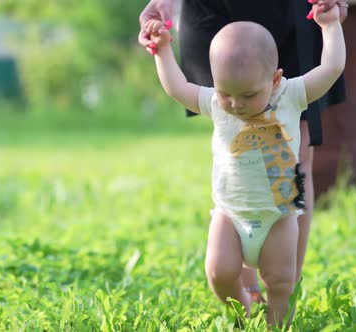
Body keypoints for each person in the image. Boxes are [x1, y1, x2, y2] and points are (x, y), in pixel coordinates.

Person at [145, 1, 345, 325]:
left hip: (278, 218)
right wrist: (162, 50)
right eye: (228, 94)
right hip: (230, 215)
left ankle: (276, 326)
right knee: (218, 273)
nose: (236, 105)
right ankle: (243, 313)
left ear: (275, 79)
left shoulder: (291, 95)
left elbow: (331, 68)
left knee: (280, 282)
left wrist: (331, 25)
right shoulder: (216, 103)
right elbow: (177, 87)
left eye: (249, 95)